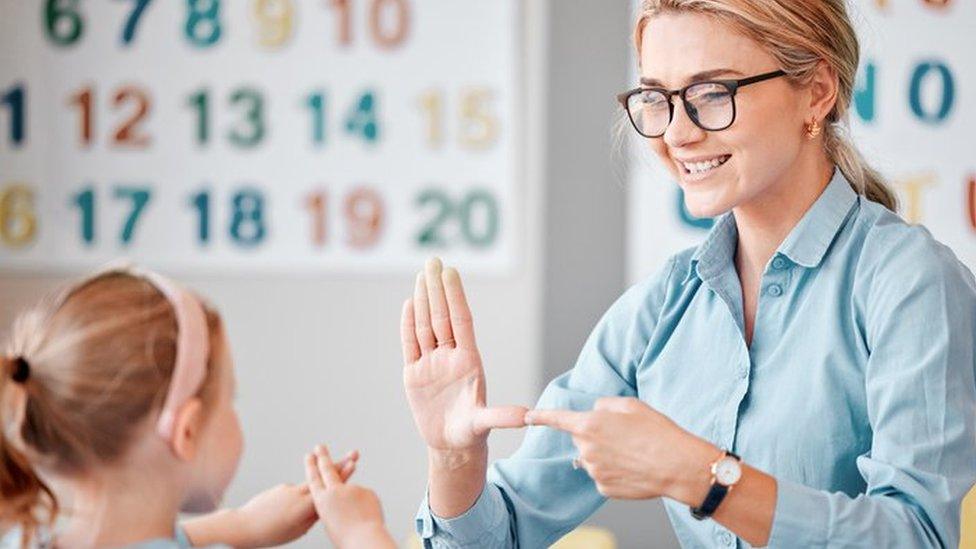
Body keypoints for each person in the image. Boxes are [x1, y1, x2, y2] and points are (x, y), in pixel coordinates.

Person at [403, 1, 976, 547]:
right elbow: (501, 536)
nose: (677, 133)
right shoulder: (659, 311)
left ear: (818, 92)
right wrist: (452, 456)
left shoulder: (909, 282)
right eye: (658, 98)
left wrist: (704, 478)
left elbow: (916, 536)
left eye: (711, 92)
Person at [0, 266, 390, 548]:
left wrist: (243, 526)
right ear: (186, 431)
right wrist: (362, 534)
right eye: (228, 400)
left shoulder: (25, 540)